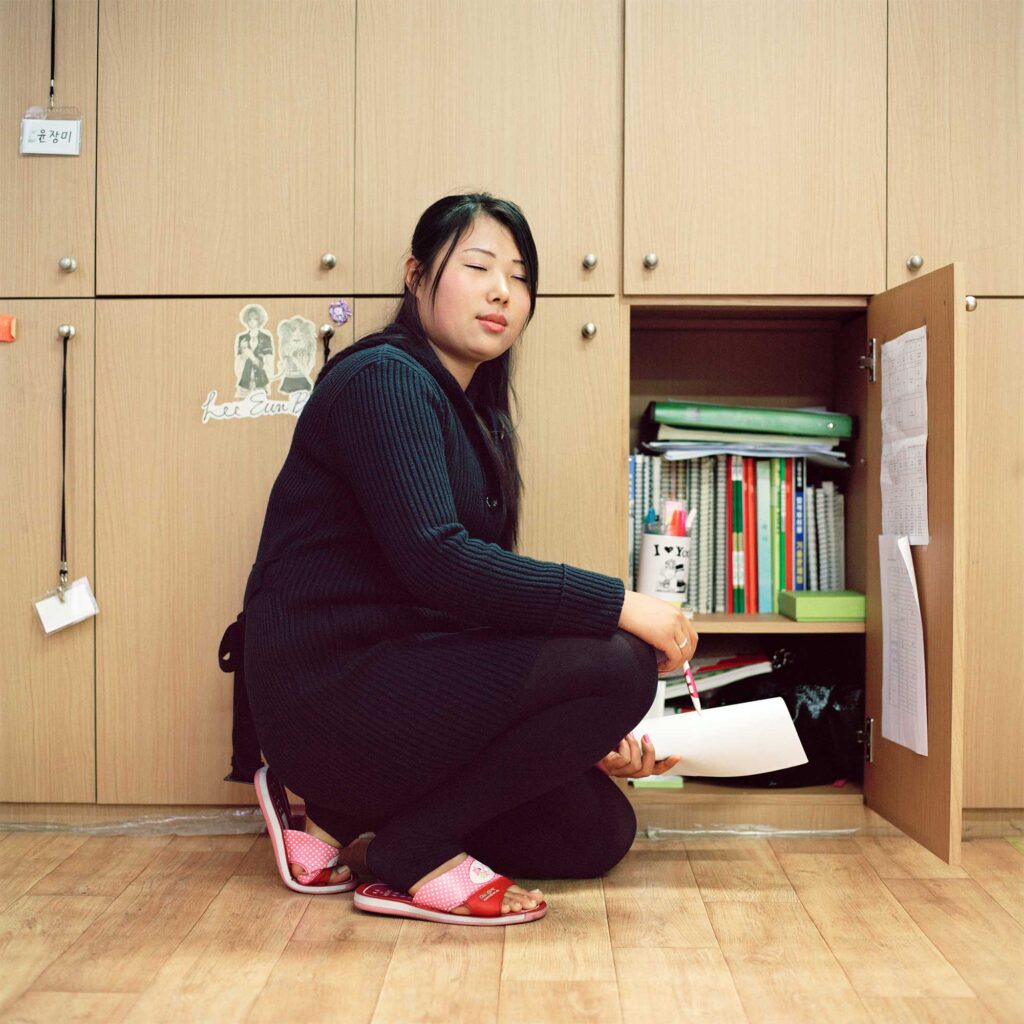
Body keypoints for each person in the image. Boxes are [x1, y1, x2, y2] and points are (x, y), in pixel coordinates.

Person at [240, 193, 699, 926]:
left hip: (402, 680)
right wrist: (620, 604)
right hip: (332, 690)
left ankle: (342, 813)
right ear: (416, 276)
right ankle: (405, 848)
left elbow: (468, 608)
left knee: (595, 834)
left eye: (519, 279)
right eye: (479, 266)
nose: (501, 292)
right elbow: (439, 565)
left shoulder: (467, 413)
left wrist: (575, 737)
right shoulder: (382, 380)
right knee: (619, 662)